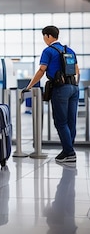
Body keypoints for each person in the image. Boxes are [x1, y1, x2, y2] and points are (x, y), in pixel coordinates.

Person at [23, 26, 79, 164]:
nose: (44, 40)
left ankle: (69, 152)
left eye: (44, 37)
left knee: (61, 122)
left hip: (60, 89)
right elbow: (77, 70)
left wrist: (29, 86)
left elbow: (42, 70)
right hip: (74, 88)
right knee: (71, 121)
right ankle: (68, 150)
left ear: (48, 36)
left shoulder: (48, 51)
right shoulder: (69, 50)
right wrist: (73, 85)